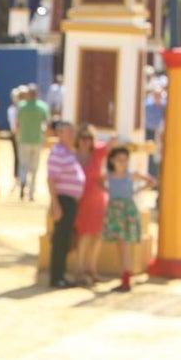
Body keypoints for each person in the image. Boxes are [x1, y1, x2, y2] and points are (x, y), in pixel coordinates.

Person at [103, 146, 156, 292]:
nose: (122, 163)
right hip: (115, 210)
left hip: (126, 211)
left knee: (124, 245)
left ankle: (126, 276)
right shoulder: (109, 176)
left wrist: (136, 191)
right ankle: (125, 274)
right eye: (119, 160)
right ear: (112, 160)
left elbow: (151, 181)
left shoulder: (131, 175)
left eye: (125, 160)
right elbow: (99, 183)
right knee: (121, 245)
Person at [45, 121, 86, 289]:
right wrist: (55, 204)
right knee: (60, 239)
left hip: (70, 200)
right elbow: (51, 179)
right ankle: (57, 277)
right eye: (68, 132)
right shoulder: (58, 152)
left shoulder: (68, 152)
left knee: (64, 238)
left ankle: (61, 274)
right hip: (63, 200)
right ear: (60, 134)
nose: (71, 135)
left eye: (72, 132)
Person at [73, 126, 109, 287]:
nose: (86, 141)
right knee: (82, 235)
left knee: (97, 235)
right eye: (83, 137)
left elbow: (111, 143)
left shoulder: (97, 154)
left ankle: (91, 269)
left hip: (98, 199)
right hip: (81, 199)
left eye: (89, 138)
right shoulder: (73, 156)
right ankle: (80, 270)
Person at [15, 84, 50, 201]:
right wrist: (45, 138)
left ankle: (23, 181)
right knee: (34, 167)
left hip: (24, 139)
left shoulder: (21, 106)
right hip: (37, 140)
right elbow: (46, 124)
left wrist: (17, 135)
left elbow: (17, 124)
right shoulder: (42, 107)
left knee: (23, 165)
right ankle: (31, 192)